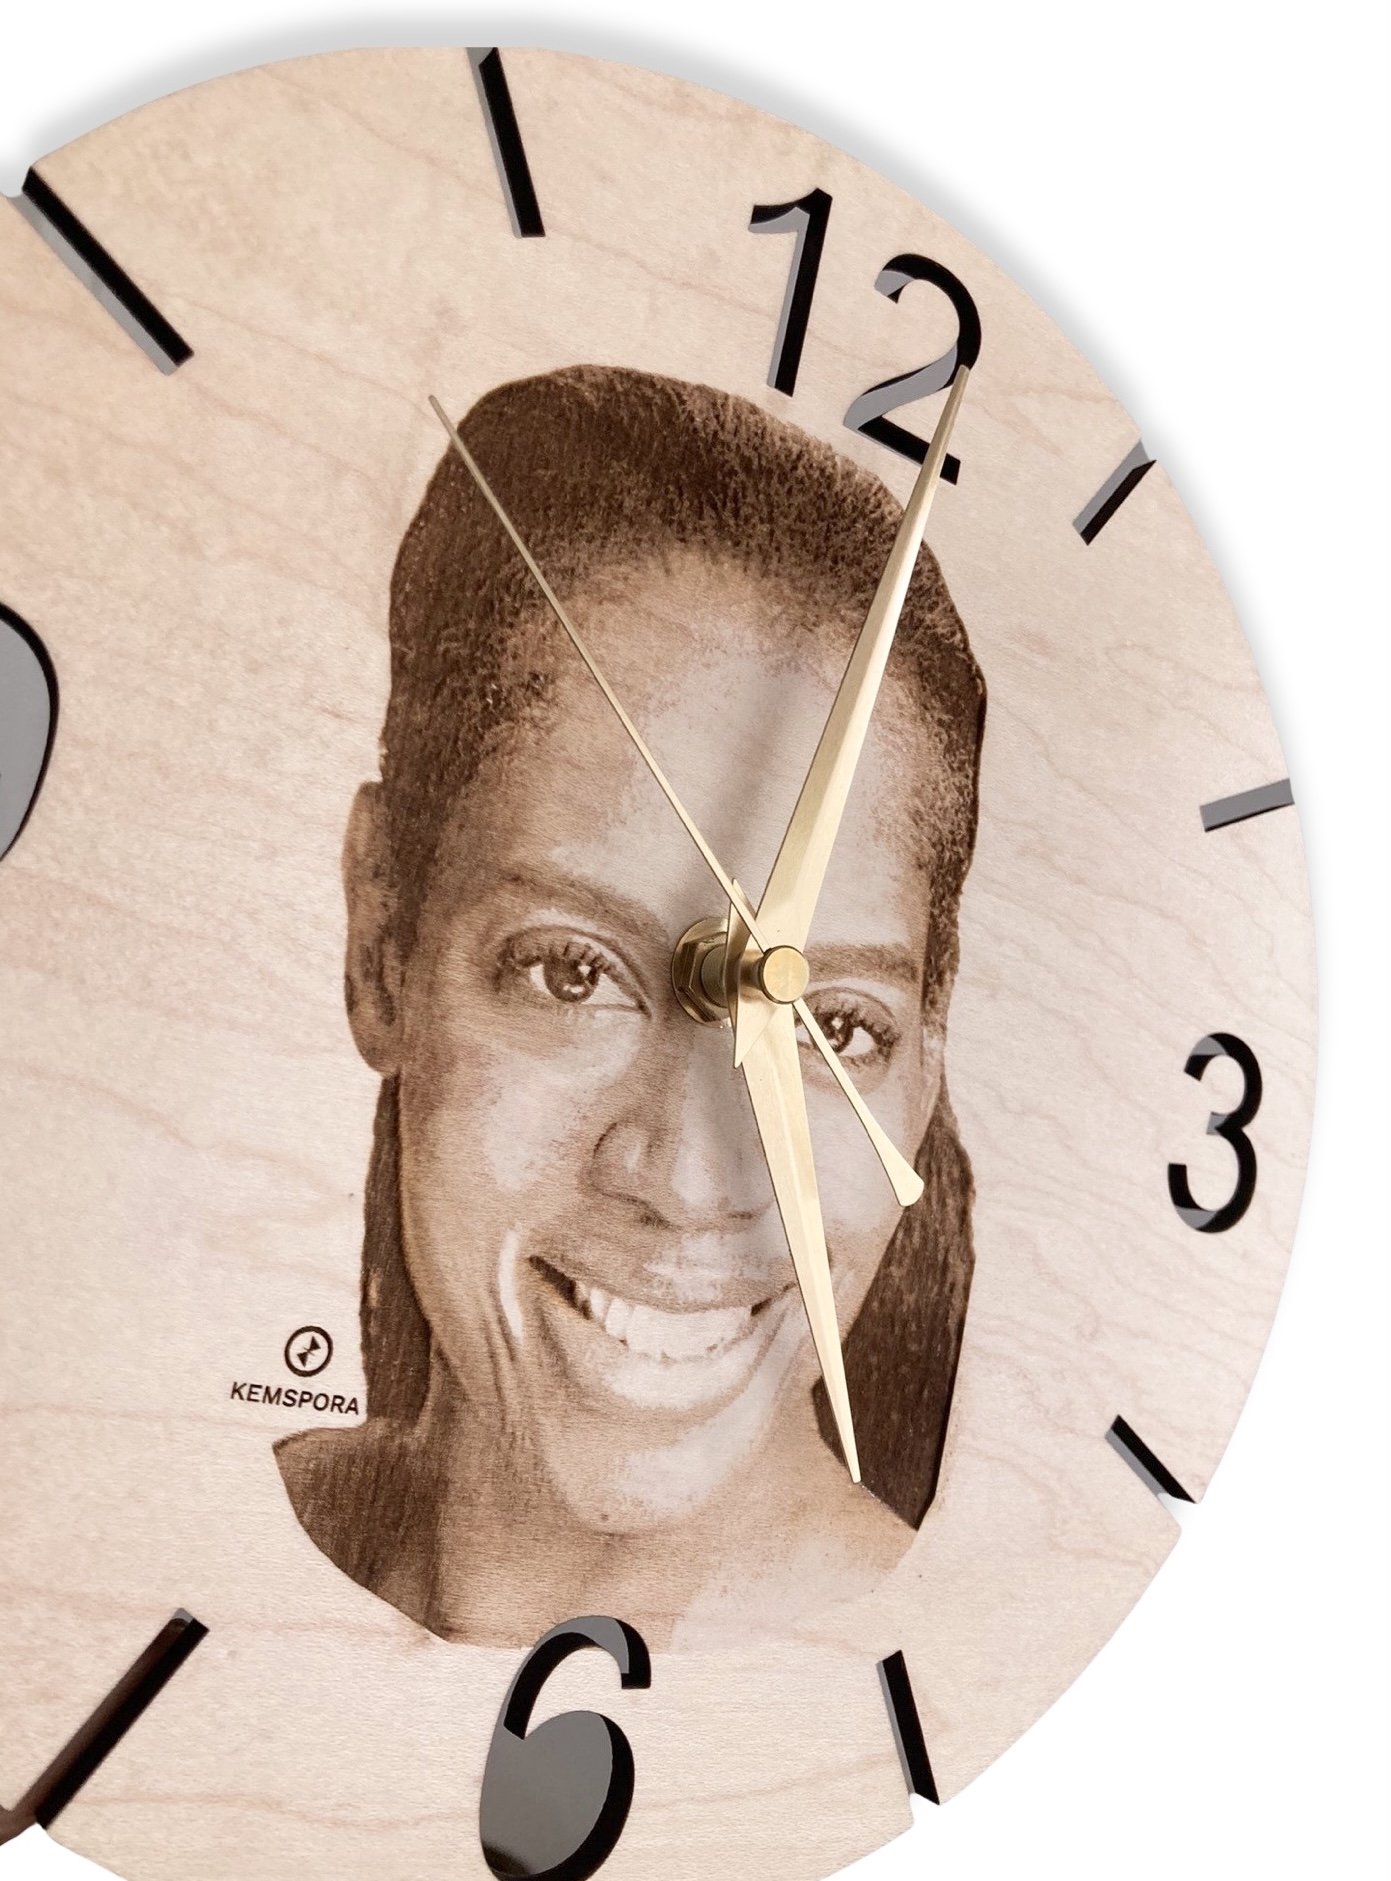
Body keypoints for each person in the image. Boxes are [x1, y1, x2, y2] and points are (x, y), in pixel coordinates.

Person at [275, 364, 986, 1650]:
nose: (689, 1176)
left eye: (830, 1024)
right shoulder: (146, 1562)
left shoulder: (966, 1687)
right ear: (383, 942)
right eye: (573, 971)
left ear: (924, 1067)